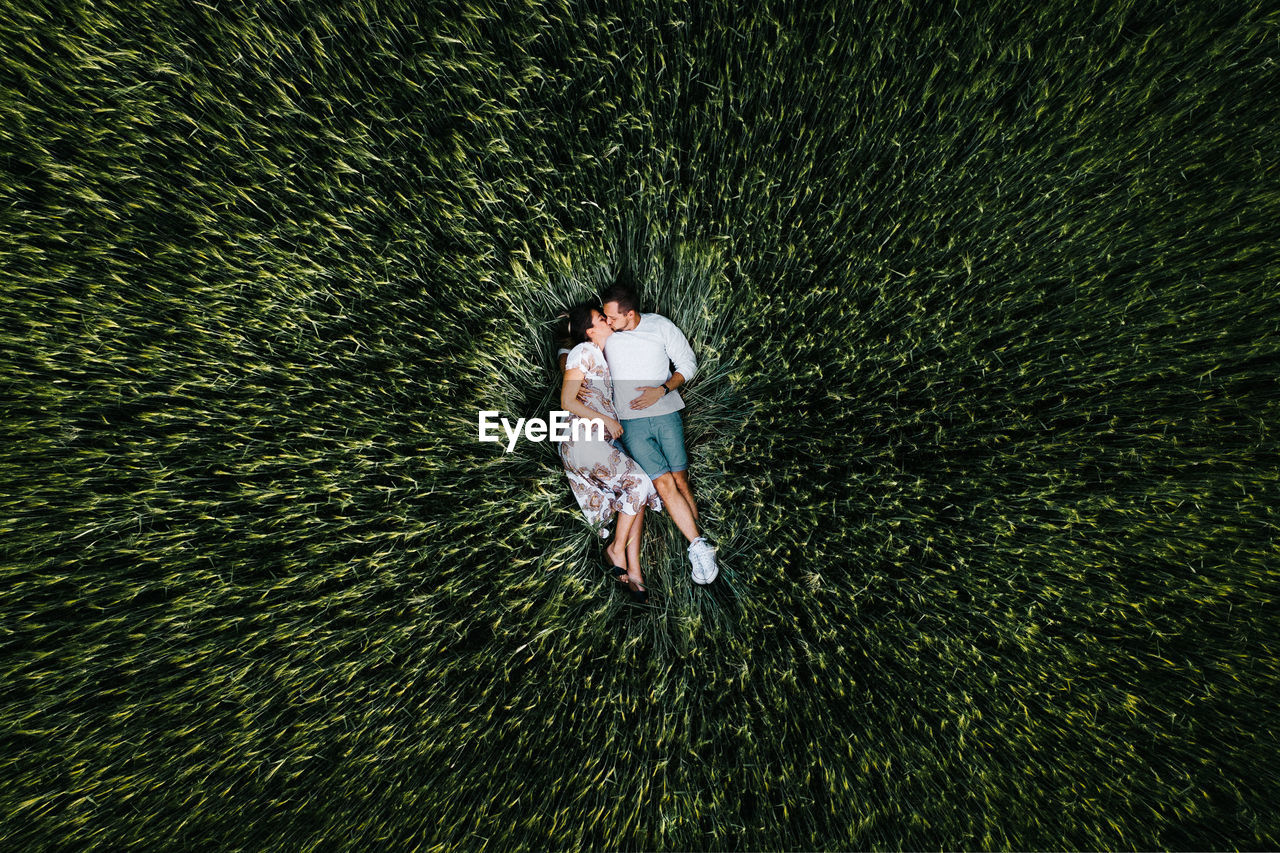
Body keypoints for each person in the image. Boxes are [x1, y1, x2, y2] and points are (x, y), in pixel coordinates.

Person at [600, 282, 718, 584]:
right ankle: (698, 547)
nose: (608, 323)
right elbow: (578, 346)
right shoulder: (608, 336)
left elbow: (688, 364)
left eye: (612, 317)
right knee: (664, 483)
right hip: (632, 423)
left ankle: (701, 545)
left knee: (680, 480)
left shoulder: (660, 326)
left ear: (629, 313)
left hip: (666, 412)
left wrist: (662, 390)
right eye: (605, 318)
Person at [557, 302, 662, 602]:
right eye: (602, 319)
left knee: (635, 495)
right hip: (583, 441)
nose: (607, 322)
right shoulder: (584, 351)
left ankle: (635, 571)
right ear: (591, 331)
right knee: (640, 484)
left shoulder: (596, 356)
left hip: (592, 444)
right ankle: (616, 549)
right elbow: (567, 400)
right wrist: (606, 420)